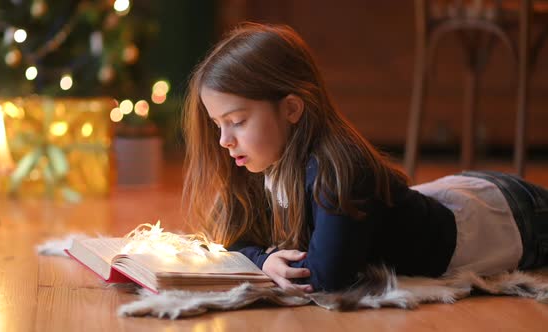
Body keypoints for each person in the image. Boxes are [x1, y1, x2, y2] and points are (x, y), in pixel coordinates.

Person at [181, 22, 548, 293]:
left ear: (291, 109)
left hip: (511, 218)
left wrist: (263, 261)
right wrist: (264, 260)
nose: (224, 140)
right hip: (452, 197)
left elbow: (327, 276)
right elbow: (230, 240)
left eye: (237, 122)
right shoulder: (260, 160)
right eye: (218, 125)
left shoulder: (339, 170)